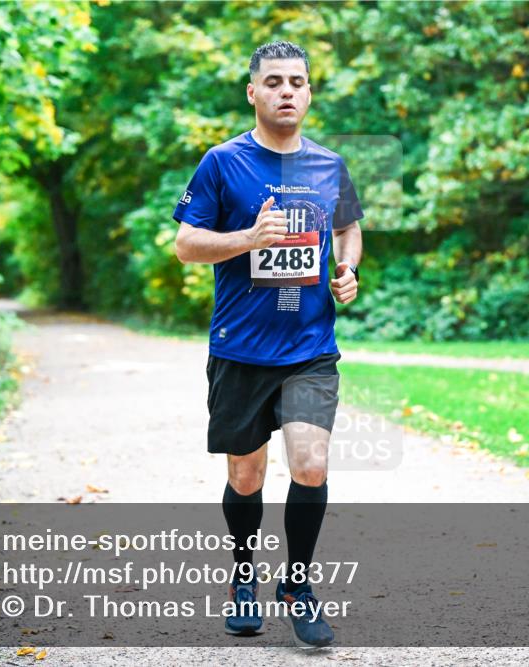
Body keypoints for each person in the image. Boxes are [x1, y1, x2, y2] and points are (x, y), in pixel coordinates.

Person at [173, 40, 363, 649]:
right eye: (274, 81)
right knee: (247, 476)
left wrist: (348, 268)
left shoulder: (329, 166)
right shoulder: (221, 163)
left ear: (309, 93)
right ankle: (243, 577)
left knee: (310, 465)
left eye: (297, 82)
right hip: (241, 349)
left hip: (310, 348)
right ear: (253, 92)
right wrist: (248, 238)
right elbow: (186, 244)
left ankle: (298, 585)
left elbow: (348, 228)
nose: (287, 91)